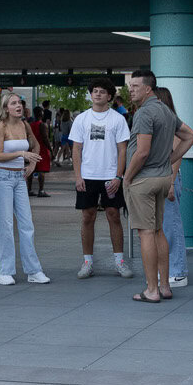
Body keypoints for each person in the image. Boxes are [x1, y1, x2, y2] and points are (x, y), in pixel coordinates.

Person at [122, 68, 193, 304]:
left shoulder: (144, 113)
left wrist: (127, 176)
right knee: (158, 231)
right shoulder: (165, 110)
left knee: (146, 232)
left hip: (143, 179)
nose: (130, 90)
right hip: (163, 178)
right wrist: (169, 160)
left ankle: (151, 289)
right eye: (129, 86)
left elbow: (142, 152)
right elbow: (190, 137)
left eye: (135, 86)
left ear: (148, 88)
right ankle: (164, 286)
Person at [69, 78, 132, 279]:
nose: (97, 94)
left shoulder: (117, 119)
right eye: (94, 91)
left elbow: (123, 150)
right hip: (88, 176)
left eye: (102, 92)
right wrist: (78, 176)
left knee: (114, 215)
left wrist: (118, 177)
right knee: (88, 217)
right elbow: (76, 149)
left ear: (109, 96)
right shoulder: (82, 119)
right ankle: (87, 262)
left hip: (110, 176)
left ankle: (119, 261)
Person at [0, 92, 51, 287]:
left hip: (19, 177)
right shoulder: (1, 127)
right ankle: (5, 271)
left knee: (27, 224)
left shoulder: (24, 125)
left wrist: (32, 165)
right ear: (6, 108)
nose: (18, 106)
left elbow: (36, 146)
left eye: (20, 103)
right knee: (5, 226)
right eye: (13, 103)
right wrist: (21, 153)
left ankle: (33, 270)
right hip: (3, 178)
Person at [156, 86, 192, 289]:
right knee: (160, 228)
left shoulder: (173, 124)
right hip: (157, 179)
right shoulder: (158, 123)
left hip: (169, 179)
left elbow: (176, 157)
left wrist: (170, 182)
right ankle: (164, 271)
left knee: (171, 226)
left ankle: (178, 271)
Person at [27, 106, 53, 197]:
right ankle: (41, 190)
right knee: (42, 170)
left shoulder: (31, 124)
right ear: (41, 113)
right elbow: (45, 139)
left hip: (33, 148)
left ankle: (29, 189)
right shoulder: (42, 125)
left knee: (32, 169)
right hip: (41, 149)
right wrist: (50, 149)